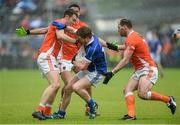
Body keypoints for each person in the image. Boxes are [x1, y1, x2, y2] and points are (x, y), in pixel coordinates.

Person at [103, 18, 176, 120]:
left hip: (148, 69)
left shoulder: (131, 39)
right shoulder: (134, 35)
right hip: (140, 70)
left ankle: (168, 100)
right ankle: (131, 115)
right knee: (127, 90)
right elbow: (128, 46)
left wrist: (112, 72)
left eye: (118, 28)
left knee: (142, 94)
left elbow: (125, 60)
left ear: (124, 27)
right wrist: (114, 47)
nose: (118, 30)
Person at [16, 9, 79, 120]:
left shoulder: (59, 24)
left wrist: (28, 32)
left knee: (56, 85)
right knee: (55, 84)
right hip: (47, 56)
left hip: (50, 57)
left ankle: (46, 112)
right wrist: (76, 41)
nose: (75, 22)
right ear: (67, 17)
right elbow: (60, 36)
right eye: (74, 19)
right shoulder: (60, 23)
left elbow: (45, 30)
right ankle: (38, 110)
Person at [52, 26, 107, 119]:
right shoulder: (89, 35)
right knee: (68, 88)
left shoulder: (93, 48)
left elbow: (82, 67)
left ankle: (92, 104)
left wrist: (73, 61)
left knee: (76, 87)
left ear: (86, 38)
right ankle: (61, 114)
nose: (78, 40)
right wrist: (64, 26)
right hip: (89, 69)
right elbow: (73, 30)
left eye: (80, 39)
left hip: (96, 72)